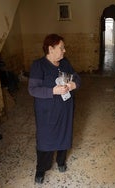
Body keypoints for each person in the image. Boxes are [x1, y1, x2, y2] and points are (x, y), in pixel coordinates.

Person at [28, 34, 81, 184]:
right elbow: (33, 89)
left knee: (64, 134)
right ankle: (41, 168)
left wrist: (72, 85)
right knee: (46, 138)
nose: (64, 51)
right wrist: (53, 91)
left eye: (63, 48)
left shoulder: (65, 63)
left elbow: (77, 78)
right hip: (47, 112)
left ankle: (61, 161)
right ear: (50, 49)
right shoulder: (39, 65)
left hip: (65, 109)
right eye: (61, 48)